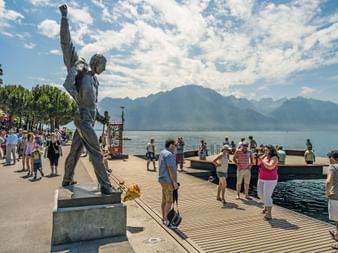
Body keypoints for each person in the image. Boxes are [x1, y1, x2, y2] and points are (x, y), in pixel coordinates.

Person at [59, 4, 113, 195]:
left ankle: (67, 178)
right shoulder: (81, 71)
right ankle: (106, 186)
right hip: (82, 118)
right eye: (104, 64)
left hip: (87, 117)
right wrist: (64, 18)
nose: (105, 68)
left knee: (74, 153)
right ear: (96, 62)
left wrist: (100, 119)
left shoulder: (94, 82)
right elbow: (67, 44)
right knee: (96, 152)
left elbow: (91, 106)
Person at [158, 139, 179, 227]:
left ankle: (163, 217)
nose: (176, 147)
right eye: (175, 145)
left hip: (162, 179)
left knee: (164, 199)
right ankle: (166, 220)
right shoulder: (169, 155)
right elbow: (170, 169)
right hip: (168, 180)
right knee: (169, 201)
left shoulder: (162, 152)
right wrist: (174, 182)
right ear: (171, 145)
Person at [257, 145, 279, 220]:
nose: (265, 151)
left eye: (266, 150)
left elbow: (270, 166)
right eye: (264, 150)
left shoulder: (274, 158)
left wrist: (262, 160)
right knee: (260, 194)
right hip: (261, 178)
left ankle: (269, 214)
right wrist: (259, 159)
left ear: (271, 150)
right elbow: (258, 164)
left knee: (267, 196)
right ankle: (266, 206)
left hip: (270, 180)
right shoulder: (264, 157)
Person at [326, 150, 338, 250]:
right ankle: (336, 233)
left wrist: (328, 192)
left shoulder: (333, 167)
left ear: (332, 158)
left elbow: (328, 181)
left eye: (329, 157)